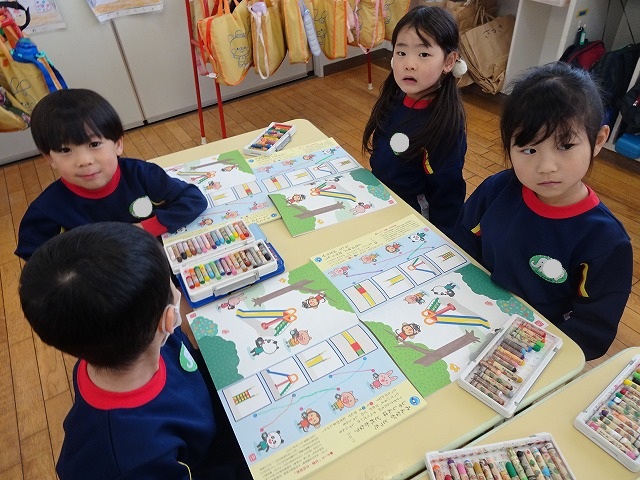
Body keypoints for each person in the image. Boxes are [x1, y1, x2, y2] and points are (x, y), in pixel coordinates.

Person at [19, 222, 251, 479]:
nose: (178, 291)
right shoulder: (127, 460)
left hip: (221, 411)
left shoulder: (116, 343)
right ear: (168, 319)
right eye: (172, 285)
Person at [451, 62, 633, 361]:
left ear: (598, 140)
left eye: (565, 145)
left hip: (534, 353)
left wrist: (535, 353)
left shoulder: (605, 240)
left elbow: (592, 330)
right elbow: (462, 244)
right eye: (529, 149)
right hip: (472, 316)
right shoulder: (497, 190)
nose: (546, 166)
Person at [14, 88, 207, 260]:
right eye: (65, 150)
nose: (84, 160)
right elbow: (35, 257)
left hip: (157, 261)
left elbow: (193, 199)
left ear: (118, 144)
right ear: (49, 158)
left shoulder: (142, 174)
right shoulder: (47, 209)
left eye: (94, 144)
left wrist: (142, 229)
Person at [362, 6, 467, 235]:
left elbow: (448, 192)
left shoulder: (444, 126)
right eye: (401, 53)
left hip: (413, 218)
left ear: (449, 61)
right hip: (380, 199)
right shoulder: (393, 98)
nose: (409, 64)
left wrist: (444, 239)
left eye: (423, 54)